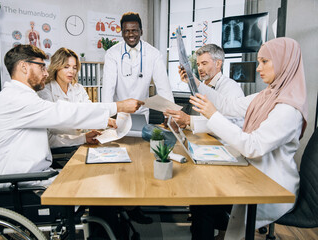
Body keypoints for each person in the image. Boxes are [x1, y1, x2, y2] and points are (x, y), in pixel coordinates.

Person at [183, 37, 308, 239]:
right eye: (259, 62)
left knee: (204, 203)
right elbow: (229, 106)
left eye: (265, 62)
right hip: (255, 172)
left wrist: (212, 114)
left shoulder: (288, 109)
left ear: (285, 62)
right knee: (203, 197)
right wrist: (195, 82)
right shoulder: (268, 95)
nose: (259, 68)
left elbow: (253, 146)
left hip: (272, 186)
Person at [0, 44, 143, 188]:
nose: (46, 73)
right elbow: (64, 113)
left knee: (97, 175)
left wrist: (82, 138)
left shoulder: (23, 96)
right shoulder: (16, 99)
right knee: (96, 180)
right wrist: (118, 106)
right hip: (19, 184)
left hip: (35, 175)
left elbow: (49, 137)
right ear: (24, 67)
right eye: (42, 67)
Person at [37, 47, 116, 148]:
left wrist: (105, 120)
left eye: (74, 68)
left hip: (81, 142)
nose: (72, 71)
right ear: (56, 67)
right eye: (66, 67)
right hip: (61, 147)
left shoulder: (78, 88)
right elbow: (57, 126)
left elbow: (90, 111)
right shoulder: (45, 91)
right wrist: (101, 120)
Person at [102, 12, 174, 121]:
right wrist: (107, 116)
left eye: (134, 30)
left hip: (142, 112)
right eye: (126, 31)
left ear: (141, 31)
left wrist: (171, 117)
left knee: (140, 137)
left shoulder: (154, 54)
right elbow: (108, 88)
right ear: (122, 33)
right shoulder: (112, 54)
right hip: (119, 112)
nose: (131, 34)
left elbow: (164, 87)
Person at [166, 44, 245, 130]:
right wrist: (182, 124)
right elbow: (203, 121)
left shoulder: (231, 87)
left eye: (204, 64)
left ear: (218, 63)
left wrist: (188, 120)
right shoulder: (202, 87)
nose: (199, 68)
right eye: (198, 64)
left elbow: (230, 124)